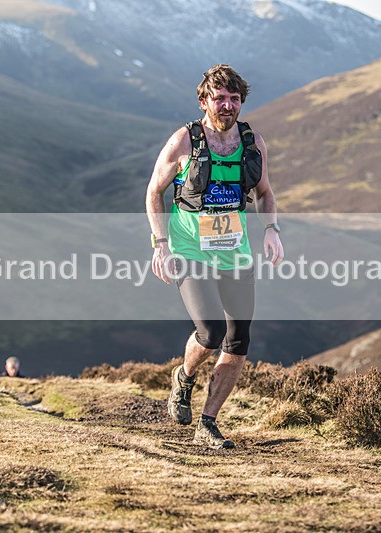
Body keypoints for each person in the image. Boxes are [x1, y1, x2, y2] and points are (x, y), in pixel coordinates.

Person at [145, 64, 283, 449]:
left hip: (234, 253)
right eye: (219, 98)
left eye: (234, 99)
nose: (228, 105)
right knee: (211, 332)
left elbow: (265, 191)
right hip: (190, 250)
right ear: (204, 101)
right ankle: (184, 377)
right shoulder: (184, 142)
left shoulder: (253, 142)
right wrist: (161, 243)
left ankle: (208, 422)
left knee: (239, 342)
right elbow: (154, 192)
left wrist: (271, 230)